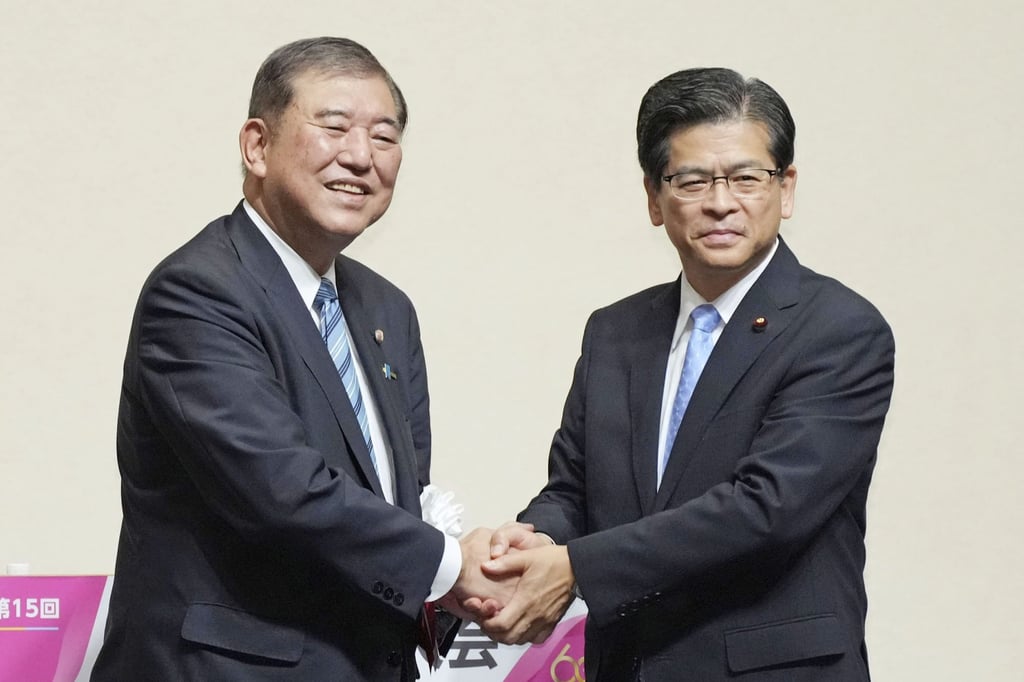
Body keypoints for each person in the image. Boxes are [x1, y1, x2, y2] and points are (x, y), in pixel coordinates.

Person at [91, 37, 506, 681]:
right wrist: (453, 568)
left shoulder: (385, 309)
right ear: (257, 146)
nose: (360, 157)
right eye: (334, 127)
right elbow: (283, 492)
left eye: (385, 136)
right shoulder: (199, 290)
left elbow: (397, 500)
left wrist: (464, 582)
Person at [470, 68, 896, 680]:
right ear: (653, 197)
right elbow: (575, 489)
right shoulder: (615, 331)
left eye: (747, 178)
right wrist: (531, 545)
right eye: (692, 180)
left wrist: (576, 568)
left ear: (787, 188)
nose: (721, 202)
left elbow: (765, 509)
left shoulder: (840, 329)